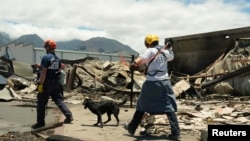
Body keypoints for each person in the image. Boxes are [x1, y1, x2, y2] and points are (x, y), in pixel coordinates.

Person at [124, 34, 180, 140]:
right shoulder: (165, 52)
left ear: (148, 43)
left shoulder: (150, 50)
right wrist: (169, 47)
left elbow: (142, 58)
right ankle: (175, 132)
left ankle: (131, 128)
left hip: (151, 82)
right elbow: (171, 57)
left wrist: (134, 63)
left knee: (142, 104)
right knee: (169, 106)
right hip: (165, 82)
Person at [32, 39, 73, 129]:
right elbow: (57, 70)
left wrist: (40, 84)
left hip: (46, 83)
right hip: (56, 83)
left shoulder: (45, 58)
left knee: (41, 103)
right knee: (58, 100)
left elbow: (44, 73)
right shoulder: (58, 59)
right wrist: (42, 66)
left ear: (47, 47)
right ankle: (69, 115)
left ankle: (40, 123)